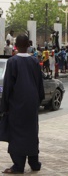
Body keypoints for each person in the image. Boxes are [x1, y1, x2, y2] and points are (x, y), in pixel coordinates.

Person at [0, 34, 45, 174]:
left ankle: (18, 165)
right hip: (31, 103)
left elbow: (8, 85)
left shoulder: (12, 62)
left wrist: (4, 106)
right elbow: (39, 83)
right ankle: (34, 163)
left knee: (17, 134)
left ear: (16, 46)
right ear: (28, 45)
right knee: (32, 132)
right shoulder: (34, 61)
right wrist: (38, 100)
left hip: (17, 103)